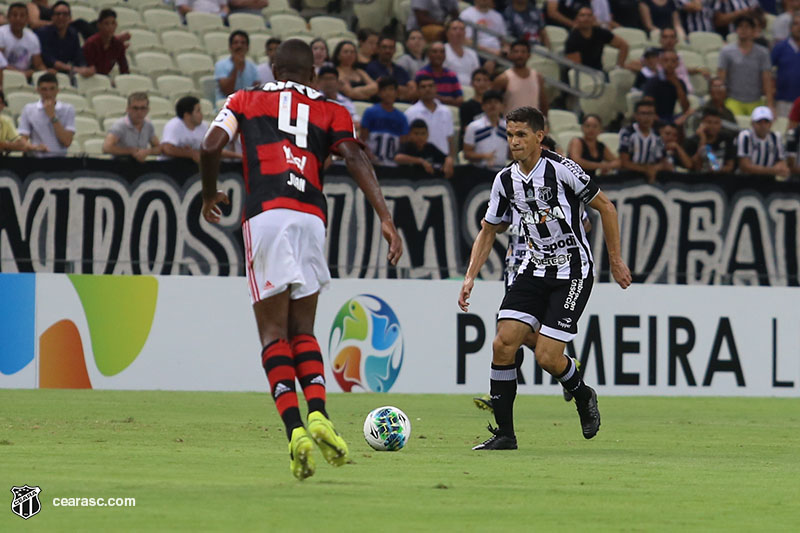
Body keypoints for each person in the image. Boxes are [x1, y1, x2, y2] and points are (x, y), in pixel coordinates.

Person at [200, 39, 402, 480]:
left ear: (273, 69)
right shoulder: (333, 109)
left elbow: (211, 145)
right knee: (303, 330)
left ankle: (295, 432)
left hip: (267, 214)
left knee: (273, 333)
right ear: (313, 74)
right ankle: (320, 415)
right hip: (311, 217)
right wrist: (385, 217)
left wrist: (209, 192)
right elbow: (354, 156)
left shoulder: (244, 98)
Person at [458, 105, 631, 450]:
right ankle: (505, 435)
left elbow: (607, 208)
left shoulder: (563, 169)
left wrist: (615, 260)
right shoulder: (505, 180)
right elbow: (488, 230)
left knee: (547, 357)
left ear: (539, 136)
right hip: (533, 268)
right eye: (510, 135)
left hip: (572, 271)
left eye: (521, 134)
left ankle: (583, 395)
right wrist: (469, 277)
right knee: (503, 343)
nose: (514, 142)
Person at [717, 15, 773, 117]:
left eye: (747, 27)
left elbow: (767, 80)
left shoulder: (763, 53)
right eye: (740, 26)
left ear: (753, 30)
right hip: (733, 100)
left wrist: (770, 104)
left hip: (756, 101)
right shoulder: (726, 51)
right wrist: (720, 103)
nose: (743, 30)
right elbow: (721, 79)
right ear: (736, 30)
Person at [17, 72, 74, 157]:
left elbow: (67, 142)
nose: (48, 93)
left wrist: (52, 116)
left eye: (52, 89)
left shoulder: (68, 109)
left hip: (60, 159)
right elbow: (23, 138)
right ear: (38, 90)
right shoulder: (28, 109)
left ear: (57, 90)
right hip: (36, 158)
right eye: (44, 89)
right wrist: (34, 147)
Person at [36, 1, 94, 79]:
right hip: (45, 73)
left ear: (70, 18)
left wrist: (85, 68)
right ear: (52, 17)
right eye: (58, 14)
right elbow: (49, 60)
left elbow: (78, 57)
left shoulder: (73, 34)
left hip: (65, 73)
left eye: (65, 14)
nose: (61, 17)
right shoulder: (43, 33)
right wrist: (75, 69)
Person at [359, 77, 410, 166]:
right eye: (384, 90)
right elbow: (362, 139)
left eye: (391, 89)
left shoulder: (401, 117)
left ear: (396, 93)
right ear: (379, 93)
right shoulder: (370, 112)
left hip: (392, 165)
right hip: (371, 162)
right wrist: (370, 156)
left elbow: (403, 144)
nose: (388, 93)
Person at [404, 74, 455, 159]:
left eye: (430, 86)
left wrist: (451, 159)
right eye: (423, 87)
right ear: (418, 90)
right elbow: (407, 140)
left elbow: (450, 139)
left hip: (443, 160)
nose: (427, 89)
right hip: (420, 160)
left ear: (436, 88)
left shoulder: (446, 112)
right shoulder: (410, 113)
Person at [564, 6, 628, 72]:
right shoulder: (572, 38)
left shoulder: (600, 32)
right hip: (580, 74)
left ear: (594, 18)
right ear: (576, 19)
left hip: (599, 72)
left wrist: (619, 67)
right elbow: (576, 67)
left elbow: (623, 45)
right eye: (582, 15)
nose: (586, 18)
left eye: (589, 15)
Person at [619, 99, 669, 182]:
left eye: (650, 114)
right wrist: (646, 170)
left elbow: (663, 161)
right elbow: (624, 162)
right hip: (629, 176)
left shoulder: (658, 136)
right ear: (636, 116)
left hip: (651, 176)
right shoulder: (627, 132)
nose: (647, 117)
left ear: (654, 116)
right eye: (643, 113)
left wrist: (653, 169)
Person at [493, 40, 548, 116]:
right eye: (516, 52)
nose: (520, 55)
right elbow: (494, 104)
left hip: (533, 122)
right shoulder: (503, 79)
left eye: (523, 52)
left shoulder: (537, 77)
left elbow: (543, 103)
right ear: (510, 55)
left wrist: (546, 120)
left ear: (529, 55)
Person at [103, 92, 161, 161]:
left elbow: (158, 148)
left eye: (143, 108)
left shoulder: (148, 125)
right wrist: (131, 151)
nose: (139, 112)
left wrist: (147, 152)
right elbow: (106, 148)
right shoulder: (120, 125)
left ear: (148, 110)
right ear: (128, 109)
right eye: (135, 108)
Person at [736, 106, 790, 177]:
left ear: (771, 124)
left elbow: (782, 163)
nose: (763, 125)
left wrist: (780, 168)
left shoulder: (776, 137)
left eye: (766, 122)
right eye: (759, 122)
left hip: (768, 180)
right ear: (752, 123)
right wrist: (772, 170)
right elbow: (744, 166)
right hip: (746, 179)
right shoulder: (745, 136)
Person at [643, 49, 691, 124]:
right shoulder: (653, 82)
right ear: (660, 62)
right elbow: (647, 107)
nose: (669, 64)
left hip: (670, 117)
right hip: (656, 118)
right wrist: (662, 123)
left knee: (692, 113)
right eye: (666, 60)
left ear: (677, 64)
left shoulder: (680, 83)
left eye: (673, 61)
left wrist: (677, 85)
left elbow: (685, 108)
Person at [463, 90, 508, 169]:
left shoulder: (508, 128)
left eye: (496, 102)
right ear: (483, 106)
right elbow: (467, 154)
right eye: (489, 102)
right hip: (480, 170)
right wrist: (484, 156)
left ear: (502, 107)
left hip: (502, 170)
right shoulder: (473, 127)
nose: (493, 105)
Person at [0, 3, 46, 79]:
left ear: (27, 19)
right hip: (4, 76)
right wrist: (20, 73)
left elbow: (38, 64)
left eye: (22, 16)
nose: (18, 19)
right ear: (8, 17)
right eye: (14, 15)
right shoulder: (1, 33)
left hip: (26, 77)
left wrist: (46, 72)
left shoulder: (32, 37)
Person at [365, 35, 416, 102]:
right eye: (384, 47)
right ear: (378, 49)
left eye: (391, 48)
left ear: (395, 50)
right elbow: (379, 91)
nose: (387, 50)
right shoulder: (371, 67)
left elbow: (413, 90)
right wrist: (404, 90)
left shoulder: (400, 70)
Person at [567, 113, 620, 178]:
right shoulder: (577, 141)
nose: (591, 129)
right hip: (573, 178)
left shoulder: (600, 146)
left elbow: (617, 162)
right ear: (582, 127)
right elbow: (576, 161)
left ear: (600, 129)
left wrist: (608, 166)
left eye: (595, 126)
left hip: (591, 179)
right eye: (587, 126)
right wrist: (601, 166)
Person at [684, 107, 736, 172]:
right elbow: (695, 167)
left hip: (721, 176)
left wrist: (717, 171)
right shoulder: (692, 141)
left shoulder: (727, 138)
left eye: (716, 123)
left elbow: (730, 166)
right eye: (709, 122)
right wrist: (703, 139)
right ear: (701, 123)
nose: (713, 126)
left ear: (720, 124)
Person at [215, 30, 259, 102]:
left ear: (247, 47)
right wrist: (236, 67)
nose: (239, 46)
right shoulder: (220, 65)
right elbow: (227, 91)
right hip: (226, 104)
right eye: (236, 43)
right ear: (230, 47)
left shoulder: (253, 68)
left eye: (243, 43)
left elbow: (255, 93)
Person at [82, 8, 129, 75]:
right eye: (106, 24)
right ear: (99, 25)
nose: (110, 27)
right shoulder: (91, 43)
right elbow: (87, 67)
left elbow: (124, 68)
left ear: (116, 25)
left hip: (105, 77)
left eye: (113, 23)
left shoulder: (118, 45)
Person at [771, 13, 800, 119]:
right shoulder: (779, 48)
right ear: (790, 27)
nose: (799, 27)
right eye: (796, 24)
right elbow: (769, 74)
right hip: (783, 101)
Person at [416, 41, 463, 106]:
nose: (438, 55)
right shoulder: (422, 74)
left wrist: (436, 97)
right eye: (435, 52)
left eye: (442, 52)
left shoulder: (451, 75)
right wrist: (447, 100)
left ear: (445, 55)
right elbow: (420, 96)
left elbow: (460, 100)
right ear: (428, 55)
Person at [443, 20, 482, 88]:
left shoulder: (472, 53)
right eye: (454, 29)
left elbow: (477, 76)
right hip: (449, 88)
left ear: (465, 33)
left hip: (470, 89)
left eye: (462, 29)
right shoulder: (441, 50)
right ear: (447, 33)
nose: (458, 32)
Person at [459, 67, 492, 143]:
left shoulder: (494, 106)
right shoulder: (466, 106)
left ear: (490, 83)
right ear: (472, 83)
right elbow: (467, 131)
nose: (482, 84)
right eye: (478, 80)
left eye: (485, 80)